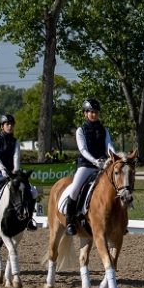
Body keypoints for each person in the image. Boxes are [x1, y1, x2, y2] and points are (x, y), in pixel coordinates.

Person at [60, 99, 119, 236]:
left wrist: (114, 157)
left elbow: (109, 146)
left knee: (117, 186)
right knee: (75, 189)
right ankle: (70, 220)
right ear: (85, 114)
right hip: (86, 165)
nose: (94, 114)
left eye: (96, 112)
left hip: (103, 165)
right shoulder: (81, 130)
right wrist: (94, 161)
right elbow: (82, 149)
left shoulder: (104, 130)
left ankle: (119, 220)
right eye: (91, 112)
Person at [0, 114, 38, 232]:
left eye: (11, 124)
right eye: (7, 124)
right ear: (2, 126)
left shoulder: (15, 141)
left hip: (13, 174)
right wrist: (2, 170)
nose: (10, 126)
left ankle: (29, 220)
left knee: (34, 192)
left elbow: (16, 157)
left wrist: (15, 171)